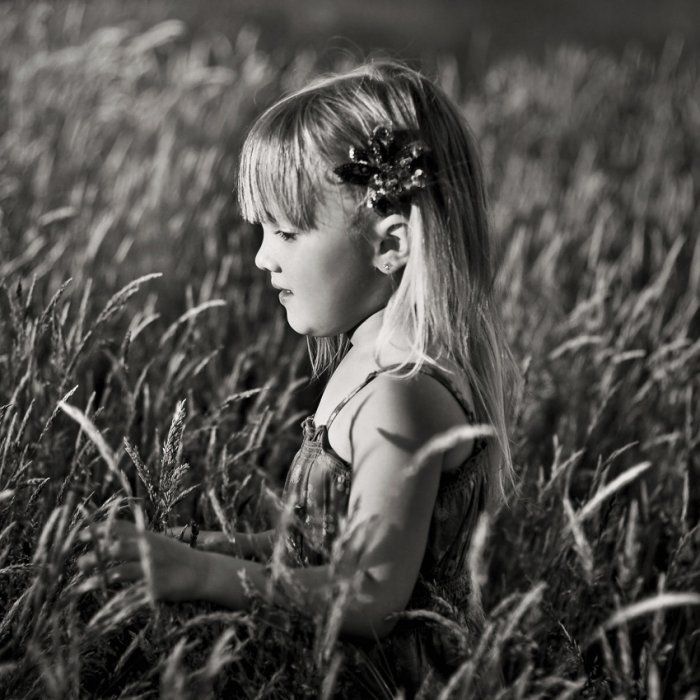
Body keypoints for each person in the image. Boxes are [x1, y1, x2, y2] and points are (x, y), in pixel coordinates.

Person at [77, 58, 520, 697]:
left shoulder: (400, 398)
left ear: (391, 245)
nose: (262, 257)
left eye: (285, 231)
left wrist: (200, 573)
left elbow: (368, 594)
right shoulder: (370, 367)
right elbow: (319, 548)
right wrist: (205, 544)